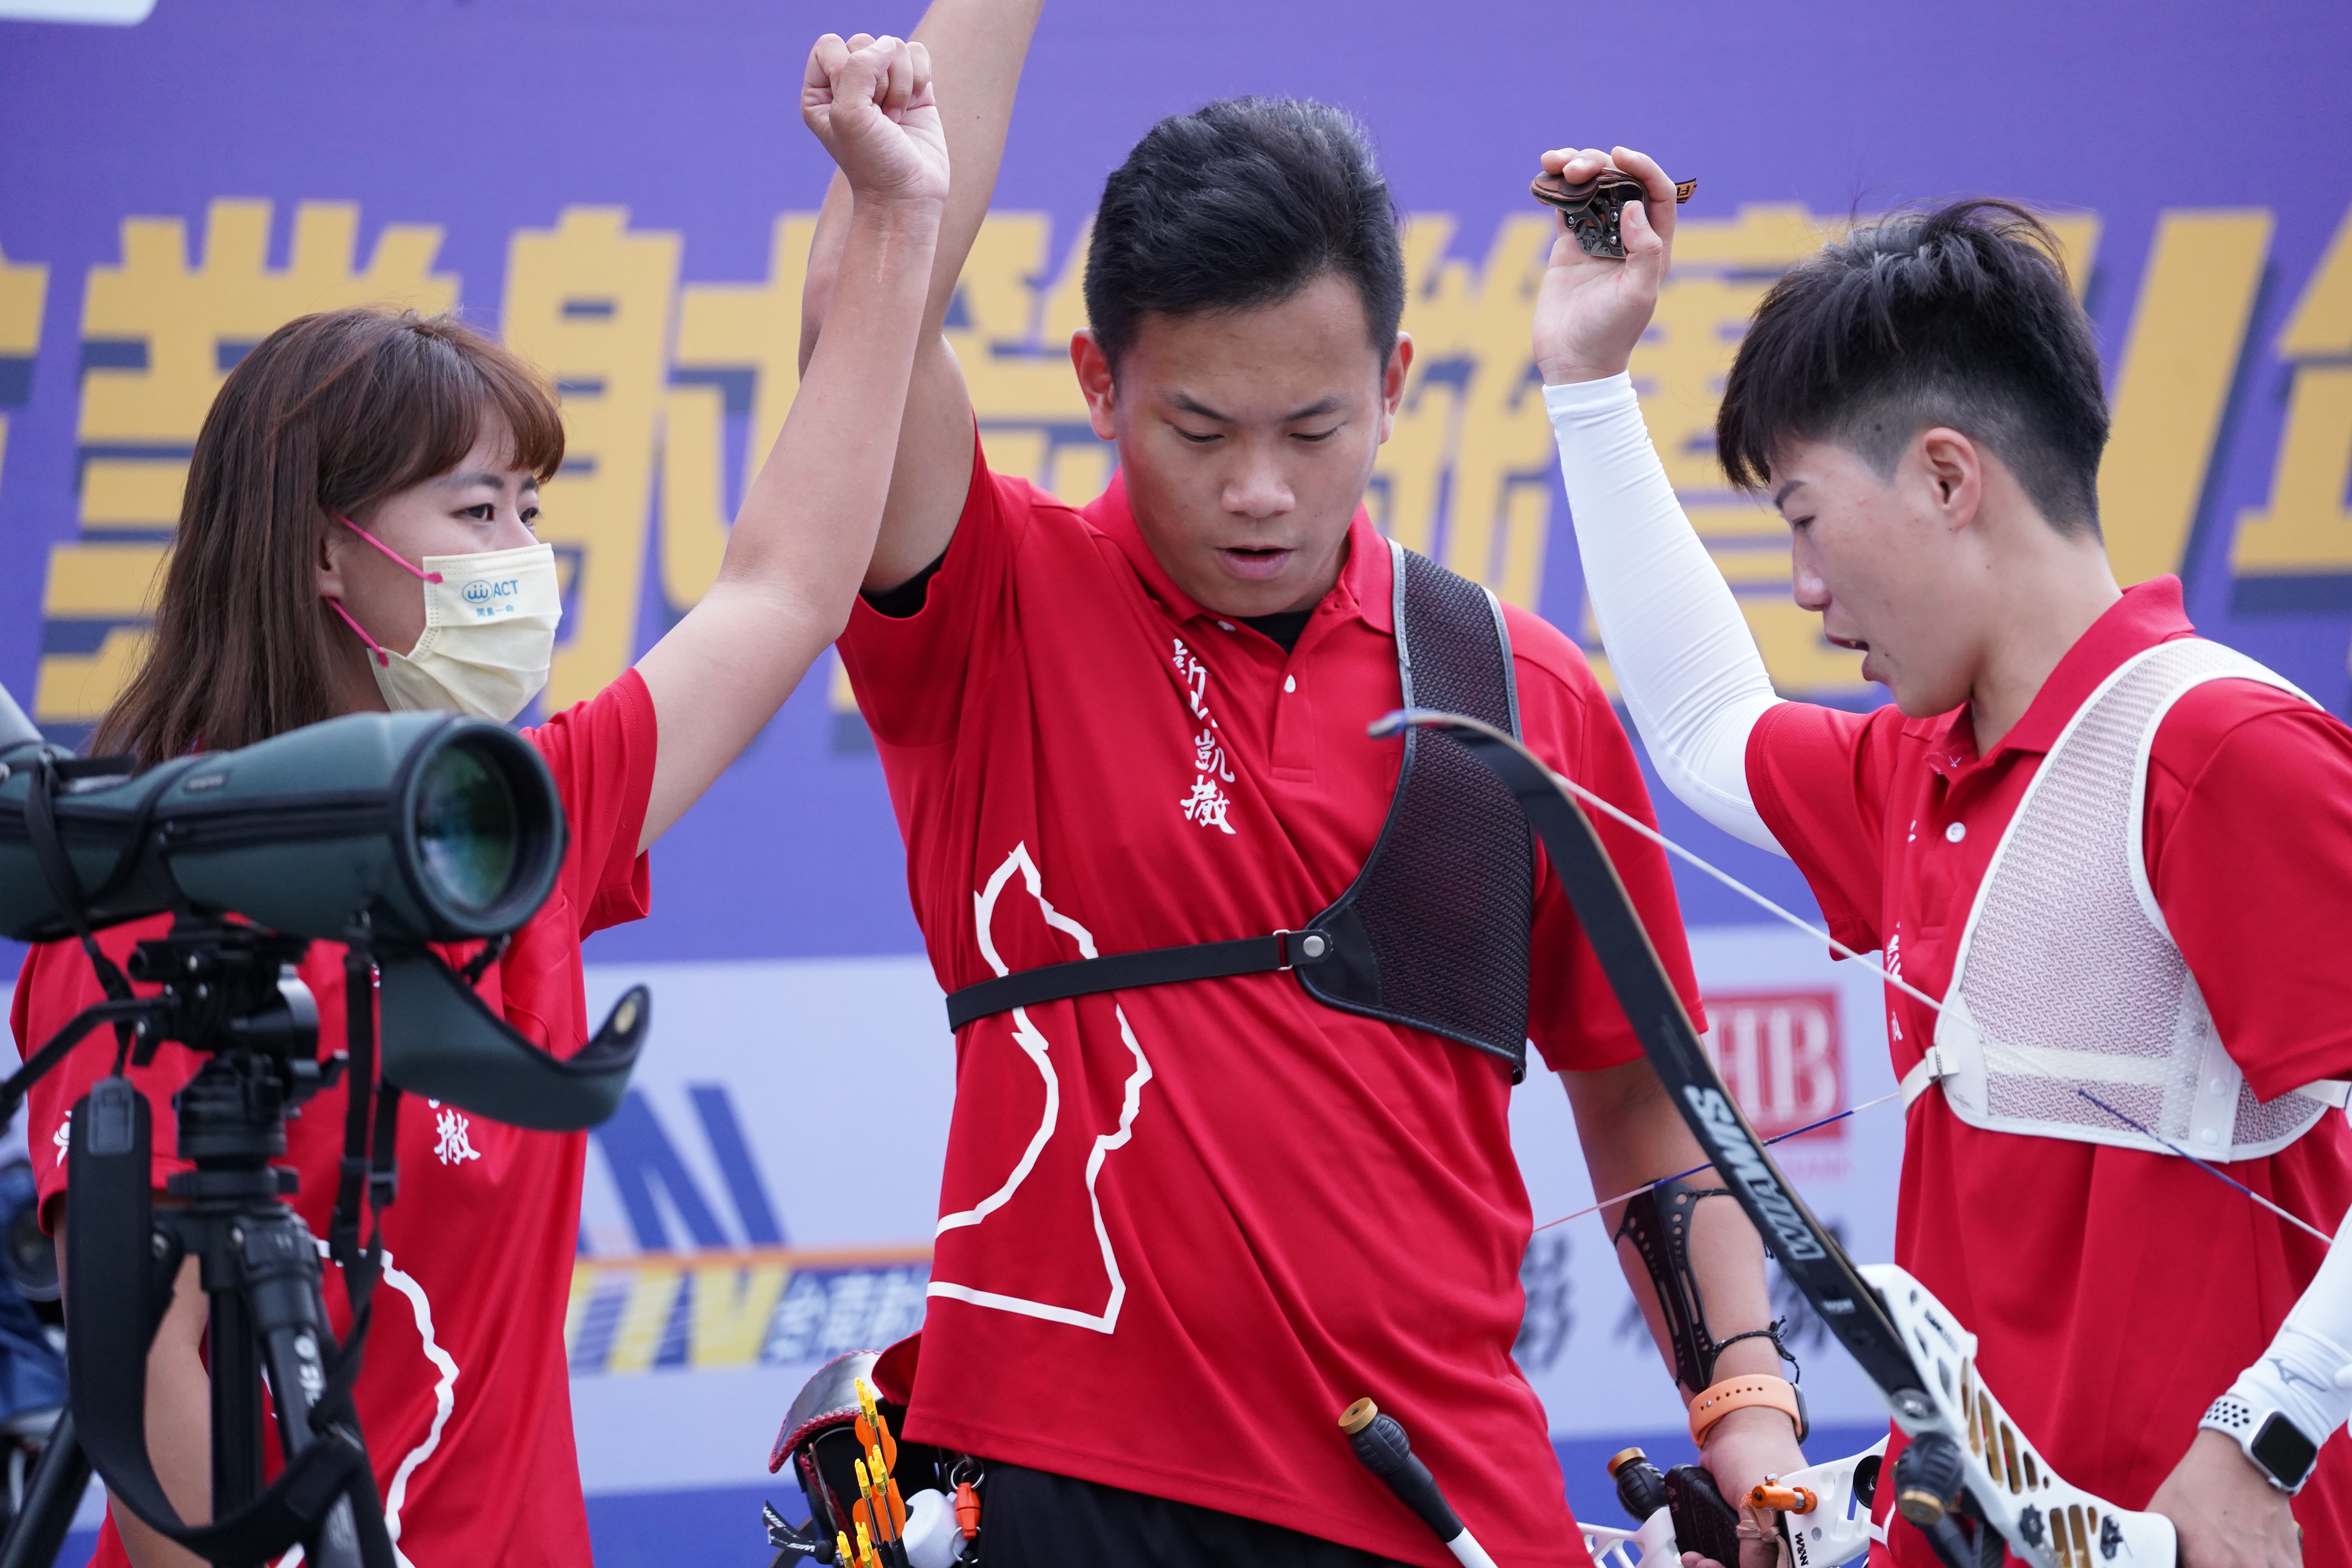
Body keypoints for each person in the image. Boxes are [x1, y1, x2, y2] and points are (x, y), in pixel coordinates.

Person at [801, 8, 1807, 1565]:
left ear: (1396, 383)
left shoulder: (1518, 685)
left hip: (1447, 1505)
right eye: (1201, 429)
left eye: (1314, 428)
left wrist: (1747, 1413)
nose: (1260, 489)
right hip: (1068, 1493)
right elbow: (862, 338)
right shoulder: (992, 602)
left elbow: (1637, 1086)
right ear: (1097, 381)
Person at [7, 32, 947, 1568]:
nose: (523, 555)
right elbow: (158, 1389)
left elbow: (785, 585)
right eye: (476, 509)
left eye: (532, 508)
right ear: (326, 555)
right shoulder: (135, 890)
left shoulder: (519, 824)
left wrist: (899, 217)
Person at [1532, 145, 2352, 1567]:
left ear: (1949, 477)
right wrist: (1588, 382)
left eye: (1801, 519)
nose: (1804, 590)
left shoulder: (2219, 751)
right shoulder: (1921, 769)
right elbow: (1700, 719)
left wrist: (2262, 1446)